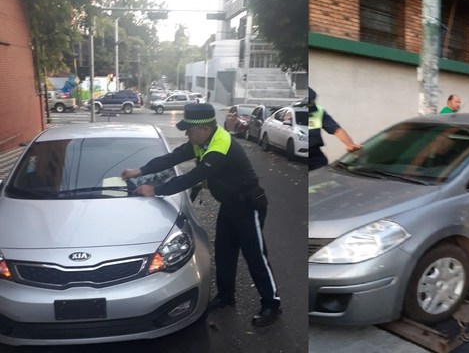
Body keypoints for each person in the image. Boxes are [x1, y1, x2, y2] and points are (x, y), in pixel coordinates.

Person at [121, 103, 281, 327]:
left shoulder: (220, 146)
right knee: (224, 251)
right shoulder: (201, 141)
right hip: (229, 204)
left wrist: (154, 190)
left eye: (189, 129)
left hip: (248, 206)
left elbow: (191, 177)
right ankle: (226, 297)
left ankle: (272, 303)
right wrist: (139, 171)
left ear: (205, 128)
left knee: (255, 255)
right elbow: (171, 158)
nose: (187, 134)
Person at [308, 87, 361, 171]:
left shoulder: (318, 111)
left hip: (315, 156)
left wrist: (350, 145)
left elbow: (336, 130)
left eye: (312, 101)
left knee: (322, 179)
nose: (311, 104)